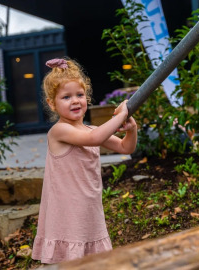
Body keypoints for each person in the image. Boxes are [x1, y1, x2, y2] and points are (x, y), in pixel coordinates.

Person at [32, 58, 137, 264]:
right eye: (66, 97)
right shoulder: (59, 131)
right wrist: (121, 114)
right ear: (52, 103)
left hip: (89, 209)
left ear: (87, 98)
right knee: (70, 262)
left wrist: (131, 129)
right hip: (67, 212)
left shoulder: (90, 129)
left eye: (80, 95)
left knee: (92, 262)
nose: (75, 101)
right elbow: (95, 139)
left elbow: (126, 147)